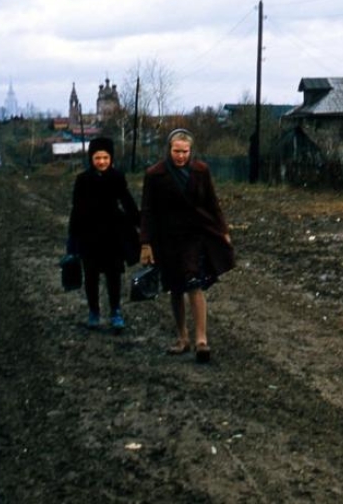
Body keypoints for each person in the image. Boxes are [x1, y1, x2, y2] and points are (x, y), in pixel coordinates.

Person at [140, 128, 235, 362]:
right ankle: (182, 338)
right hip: (167, 238)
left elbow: (212, 202)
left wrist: (223, 230)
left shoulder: (201, 170)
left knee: (194, 283)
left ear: (191, 151)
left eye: (185, 151)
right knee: (175, 287)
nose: (180, 156)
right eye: (176, 151)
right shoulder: (155, 174)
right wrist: (146, 244)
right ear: (169, 150)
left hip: (194, 235)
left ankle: (201, 340)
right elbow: (148, 210)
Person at [67, 137, 140, 331]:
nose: (101, 162)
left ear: (111, 158)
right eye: (97, 157)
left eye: (105, 157)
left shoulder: (117, 177)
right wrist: (72, 240)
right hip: (89, 235)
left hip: (112, 235)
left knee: (113, 275)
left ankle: (115, 311)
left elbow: (127, 201)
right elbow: (76, 210)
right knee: (90, 275)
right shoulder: (82, 180)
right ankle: (94, 312)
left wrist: (140, 223)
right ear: (91, 158)